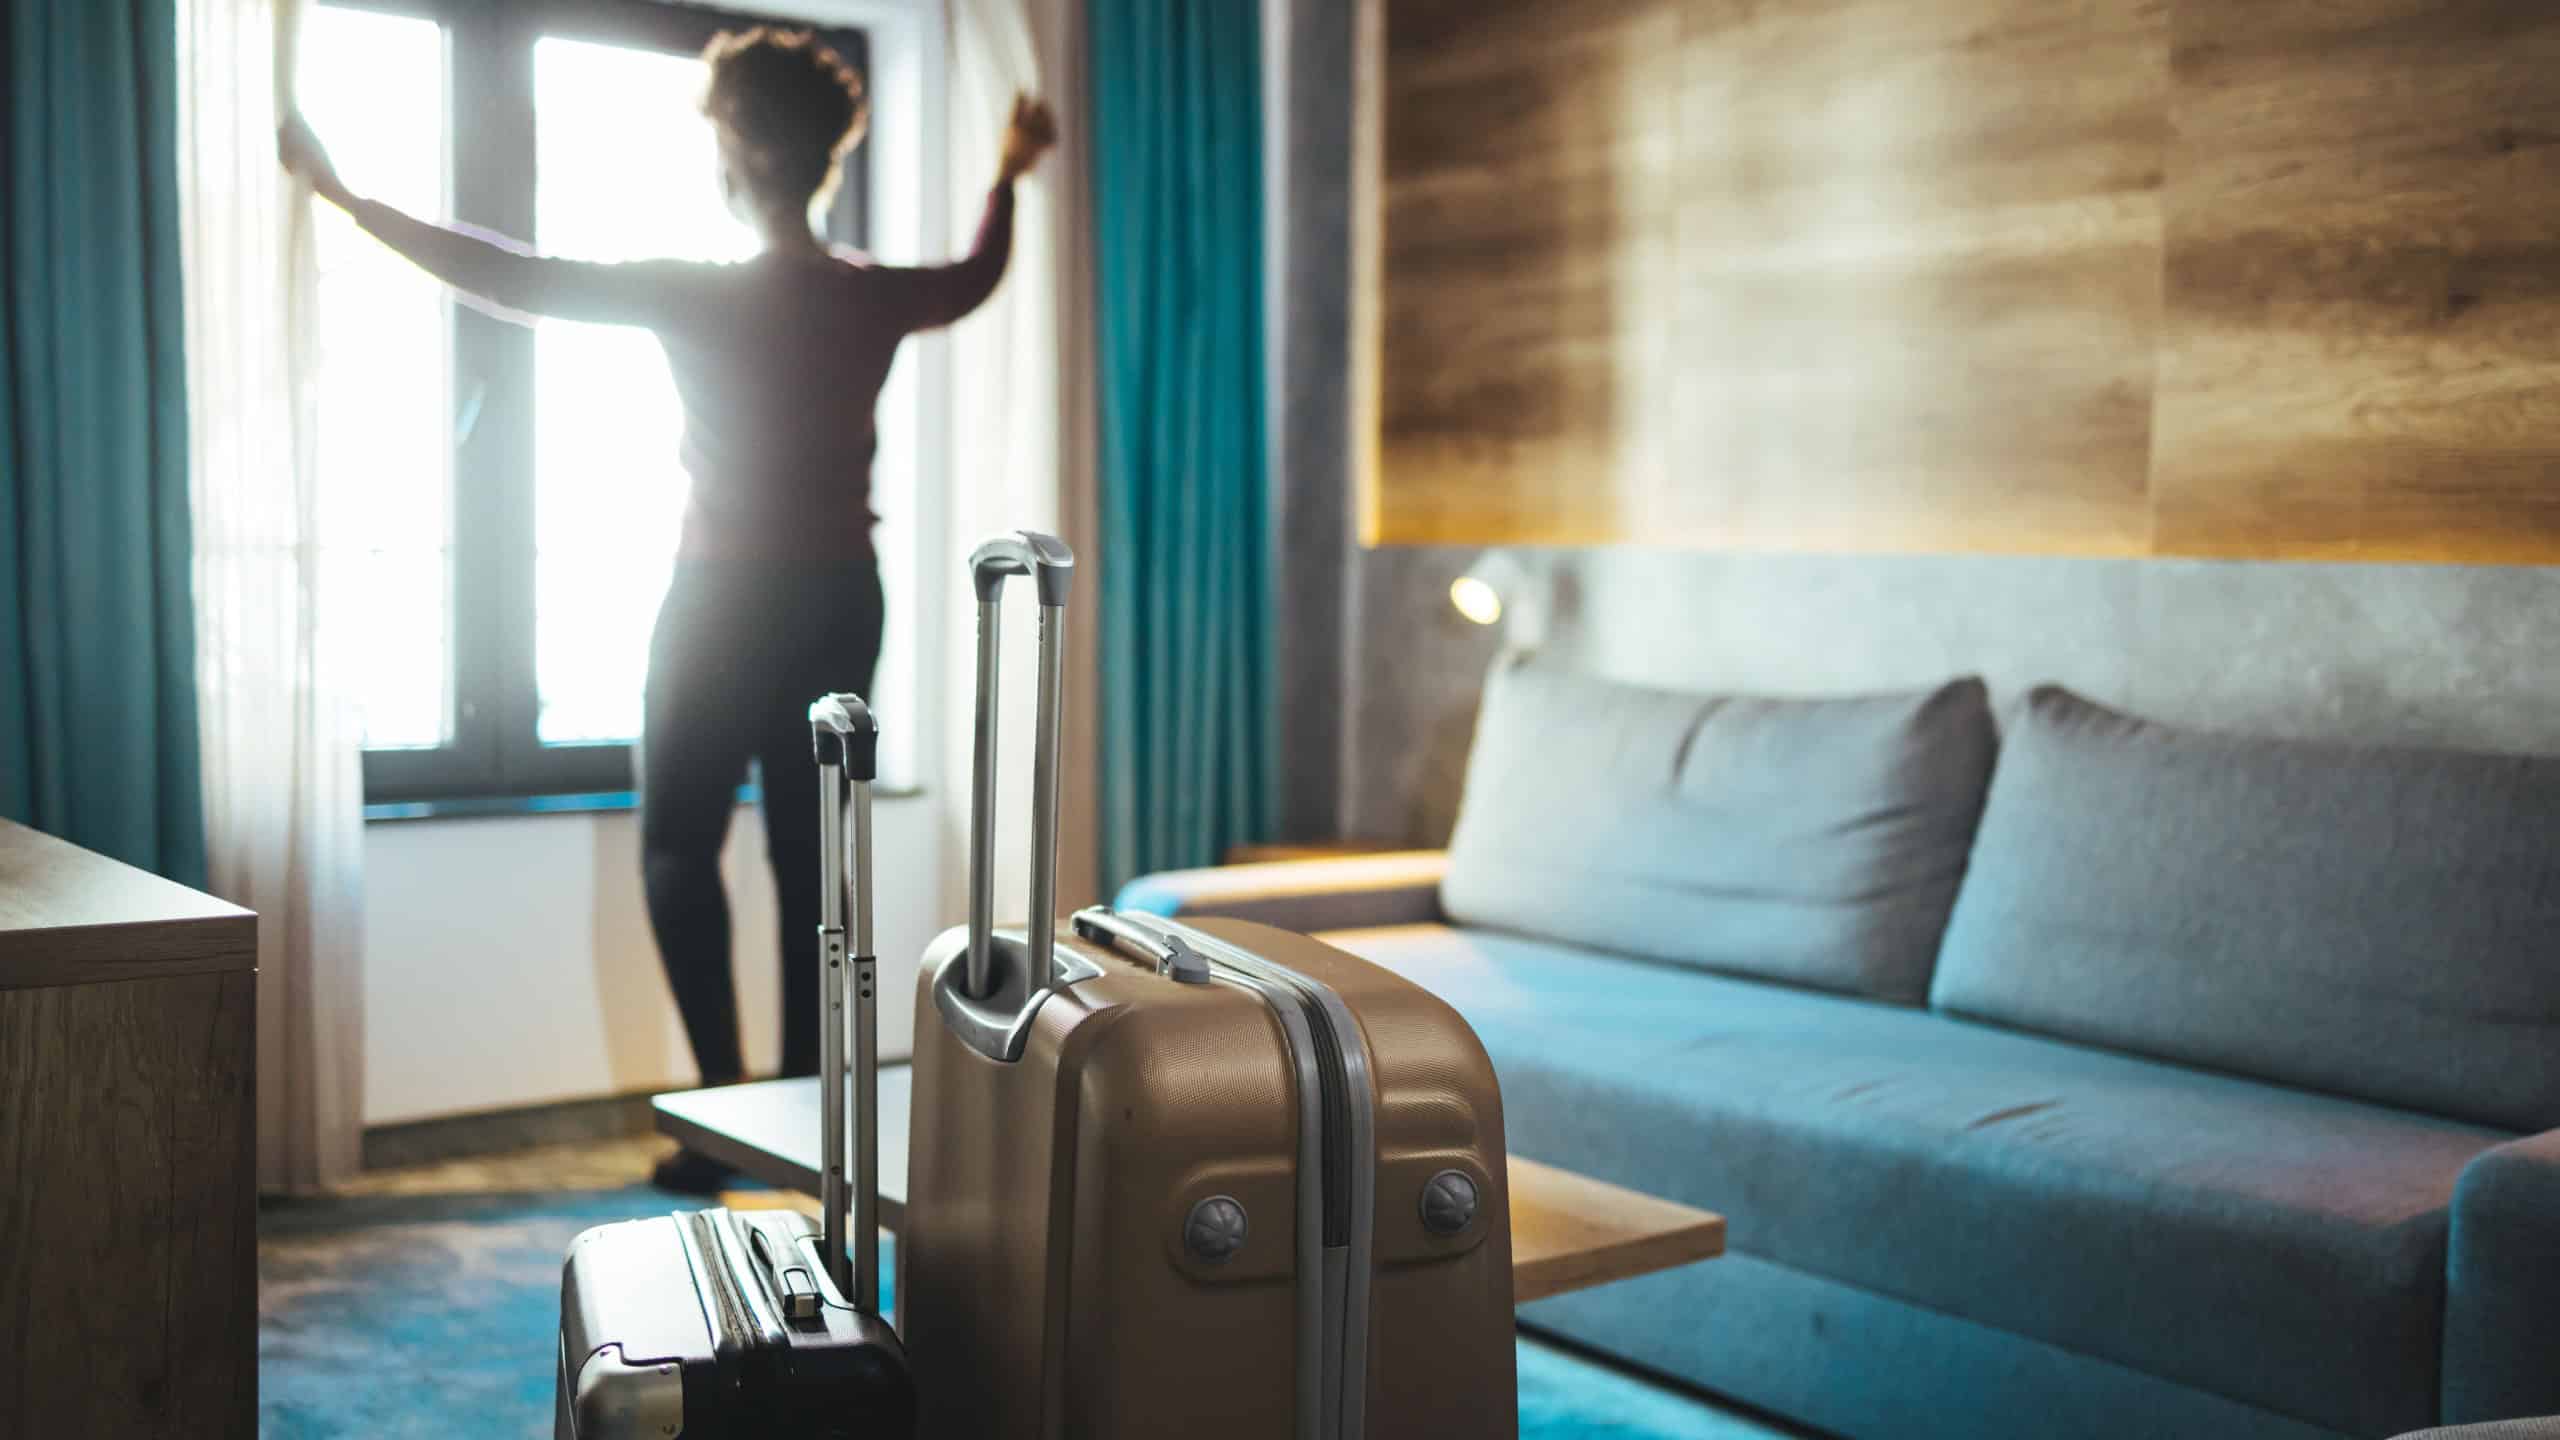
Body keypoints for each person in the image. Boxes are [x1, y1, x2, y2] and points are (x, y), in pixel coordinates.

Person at [280, 28, 1056, 1193]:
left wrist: (347, 198)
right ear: (821, 158)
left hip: (722, 602)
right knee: (814, 870)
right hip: (842, 601)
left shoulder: (694, 291)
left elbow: (513, 272)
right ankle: (798, 1118)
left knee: (677, 855)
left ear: (737, 150)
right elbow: (973, 276)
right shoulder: (870, 297)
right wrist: (1004, 174)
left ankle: (727, 1114)